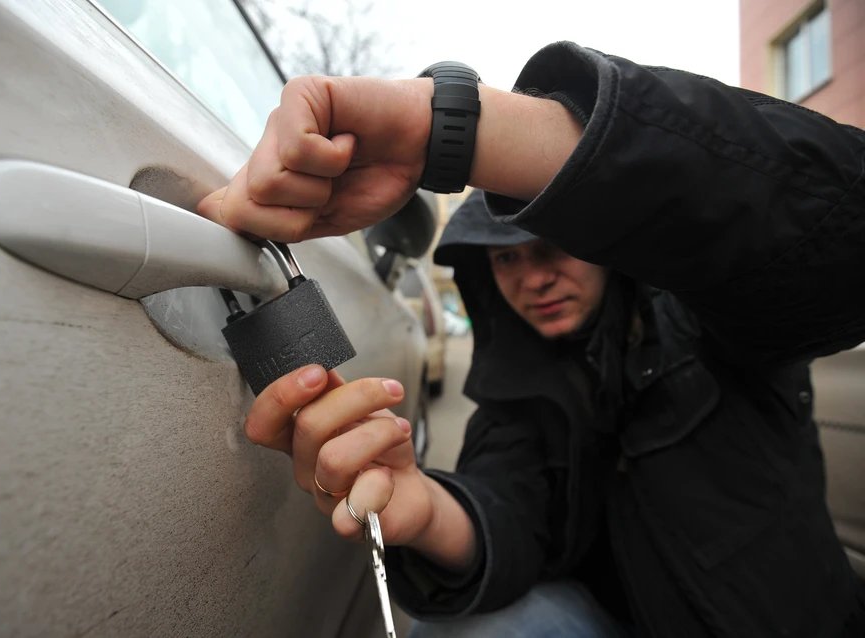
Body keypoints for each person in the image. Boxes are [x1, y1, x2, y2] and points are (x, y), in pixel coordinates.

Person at [197, 41, 865, 637]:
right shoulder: (515, 385)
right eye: (507, 260)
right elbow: (508, 511)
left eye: (553, 248)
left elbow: (832, 230)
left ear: (606, 247)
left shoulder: (711, 322)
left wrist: (450, 129)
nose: (533, 278)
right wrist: (425, 508)